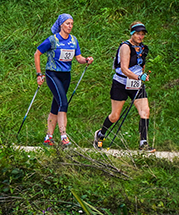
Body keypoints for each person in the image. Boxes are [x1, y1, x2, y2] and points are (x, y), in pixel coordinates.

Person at [93, 21, 155, 152]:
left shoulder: (143, 48)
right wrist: (138, 77)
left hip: (136, 85)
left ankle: (143, 143)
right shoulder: (125, 47)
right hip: (121, 83)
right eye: (138, 34)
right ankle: (100, 134)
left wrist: (143, 76)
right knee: (115, 116)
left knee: (145, 111)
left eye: (142, 34)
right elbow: (124, 69)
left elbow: (141, 65)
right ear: (132, 33)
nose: (140, 36)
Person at [34, 13, 93, 147]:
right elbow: (37, 53)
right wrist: (39, 74)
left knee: (56, 105)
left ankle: (48, 137)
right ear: (61, 25)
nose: (70, 26)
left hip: (66, 75)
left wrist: (86, 60)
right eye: (67, 23)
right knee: (63, 103)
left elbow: (78, 58)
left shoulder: (73, 40)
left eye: (72, 24)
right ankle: (63, 136)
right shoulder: (52, 40)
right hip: (53, 74)